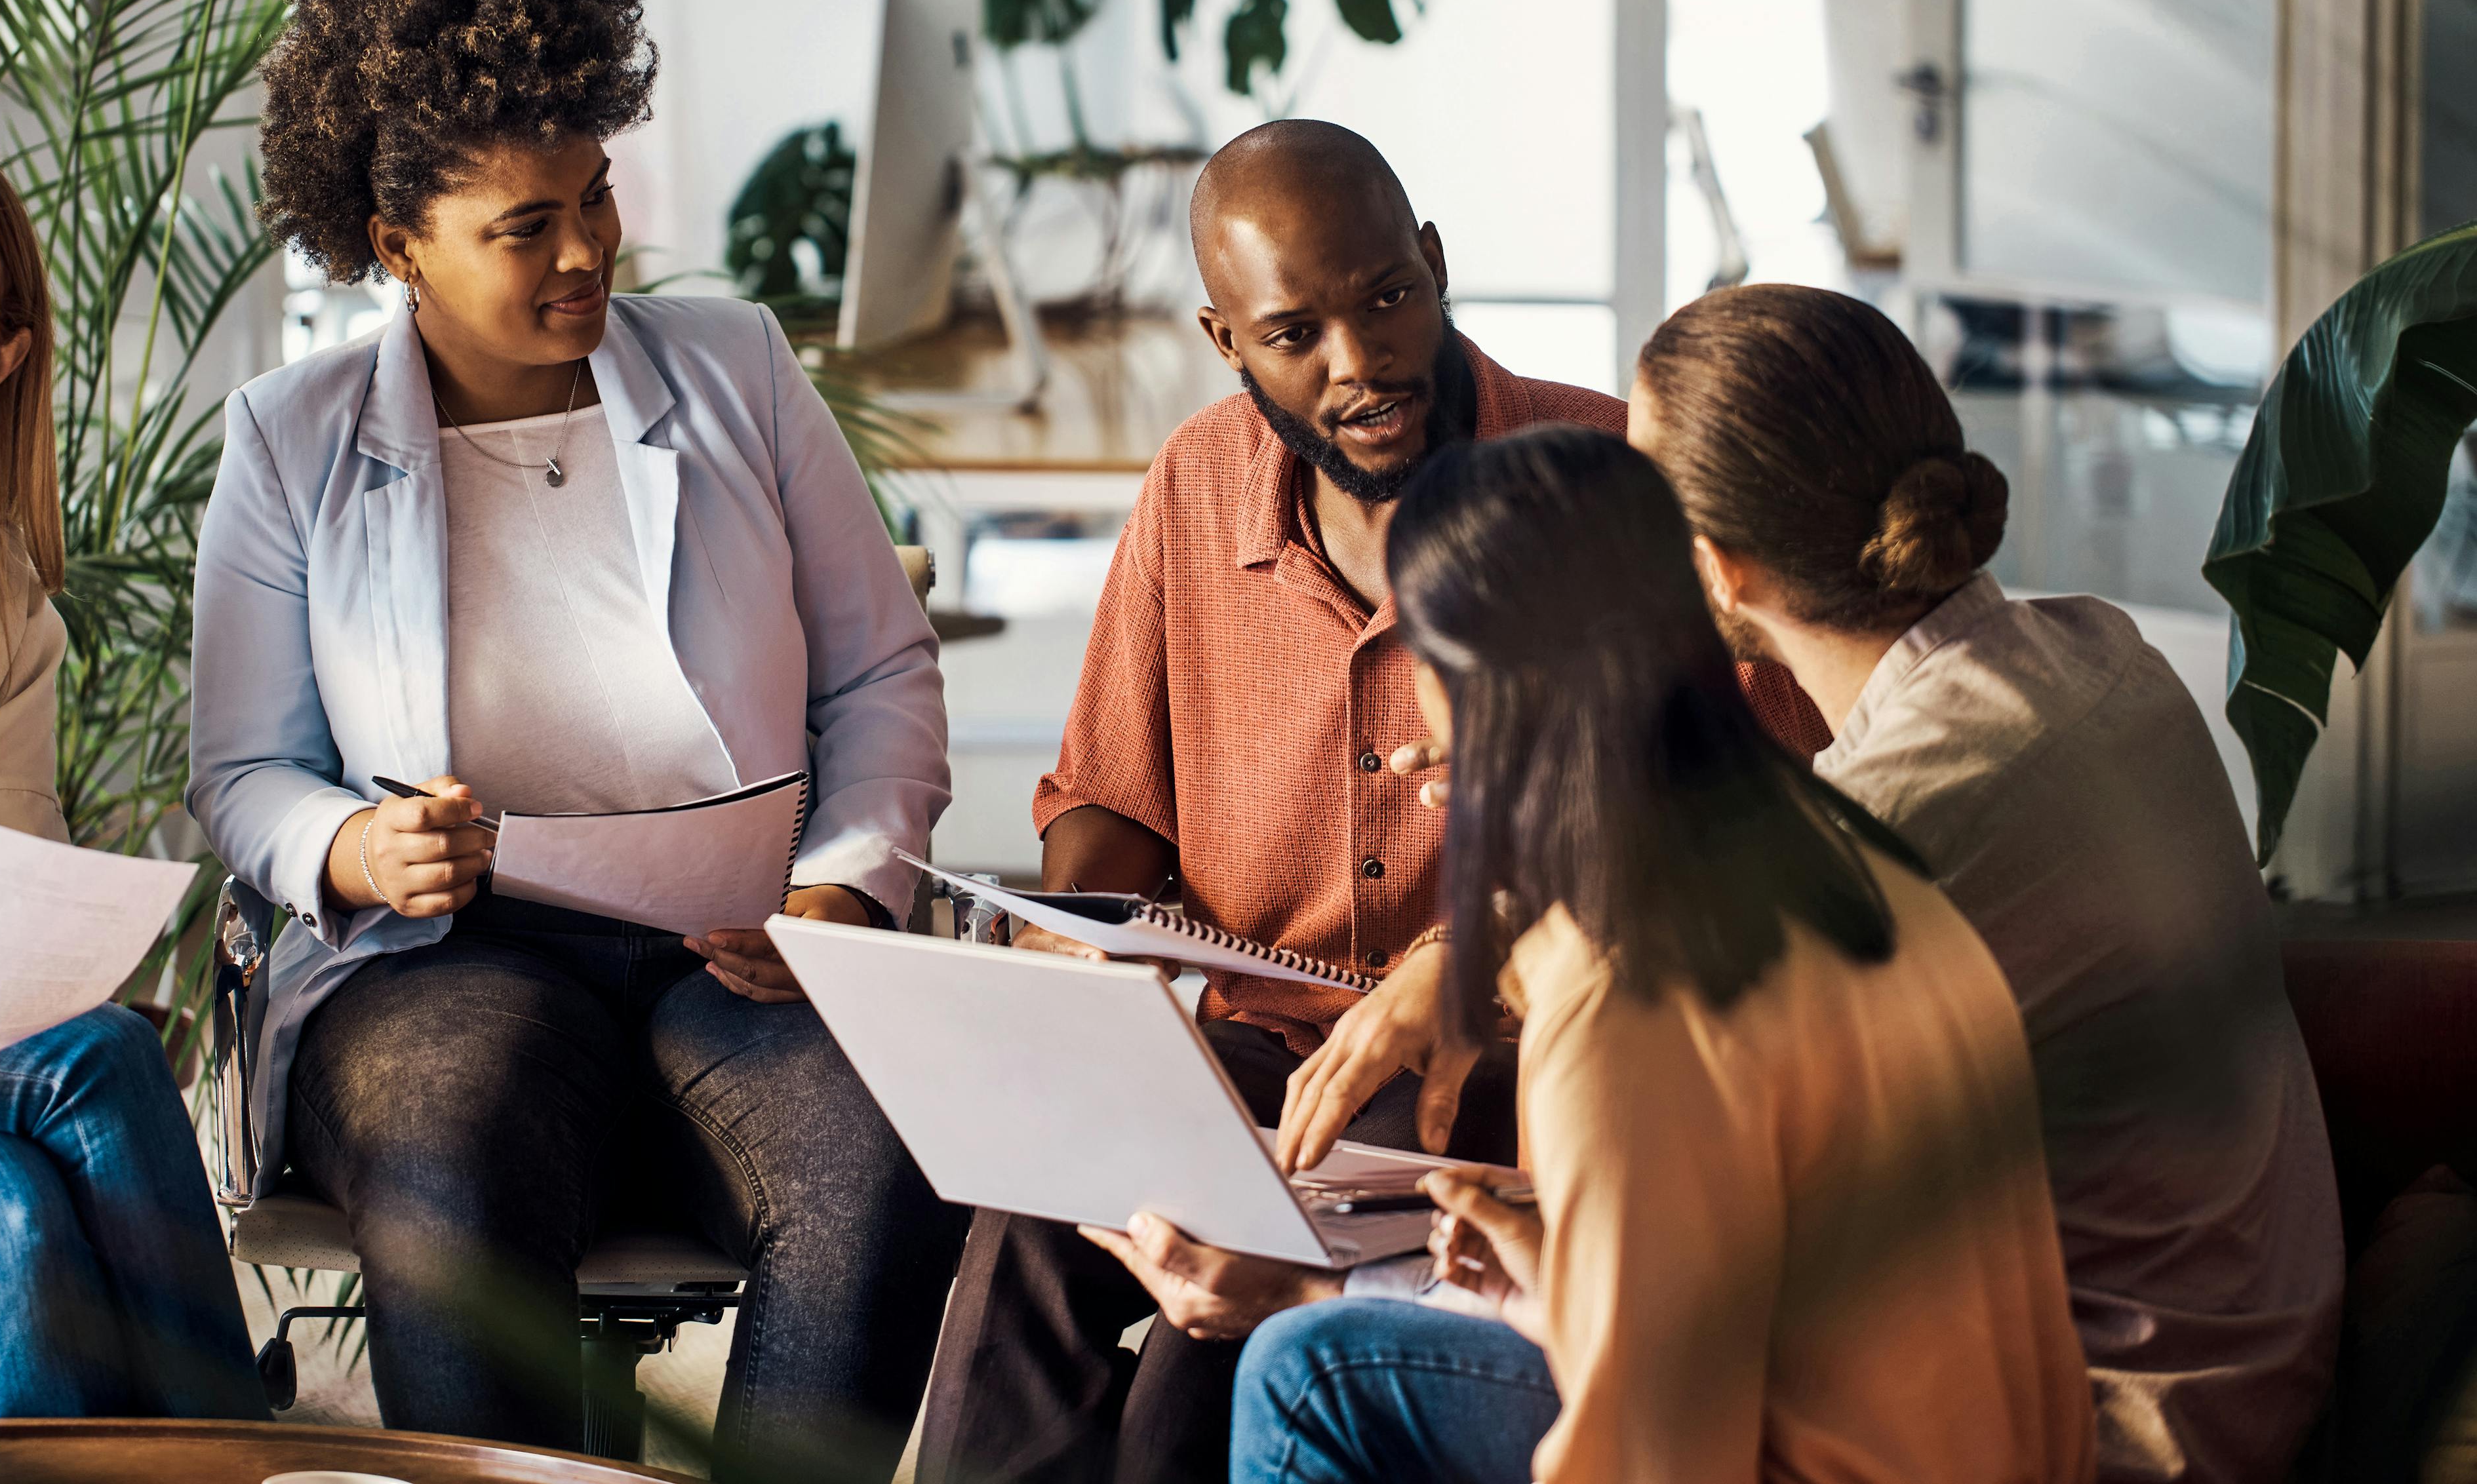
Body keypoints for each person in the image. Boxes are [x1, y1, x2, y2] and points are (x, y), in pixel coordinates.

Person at [917, 120, 1827, 1484]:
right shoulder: (1191, 484)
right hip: (1240, 1039)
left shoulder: (1608, 477)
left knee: (1196, 1349)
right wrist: (1076, 950)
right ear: (1228, 341)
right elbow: (1110, 804)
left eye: (1389, 298)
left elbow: (1771, 829)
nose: (1360, 363)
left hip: (1503, 1068)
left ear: (1436, 264)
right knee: (1032, 1228)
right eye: (1296, 333)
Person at [186, 0, 961, 1477]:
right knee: (446, 1135)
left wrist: (843, 895)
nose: (590, 251)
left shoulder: (735, 371)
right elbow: (246, 769)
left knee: (884, 1155)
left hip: (739, 955)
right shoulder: (290, 439)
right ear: (397, 242)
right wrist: (353, 849)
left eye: (595, 196)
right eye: (524, 227)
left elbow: (883, 671)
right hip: (441, 956)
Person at [1234, 424, 2096, 1483]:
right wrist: (1554, 1286)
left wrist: (1295, 1295)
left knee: (1304, 1366)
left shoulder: (1623, 997)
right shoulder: (1843, 850)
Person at [1621, 284, 2341, 1481]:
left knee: (1329, 1362)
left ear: (1715, 568)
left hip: (2102, 1433)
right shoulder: (2101, 648)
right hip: (2252, 1363)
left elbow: (1680, 1210)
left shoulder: (1883, 827)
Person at [0, 140, 265, 1420]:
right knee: (97, 1069)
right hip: (18, 1068)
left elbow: (0, 880)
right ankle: (236, 1443)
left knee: (20, 1227)